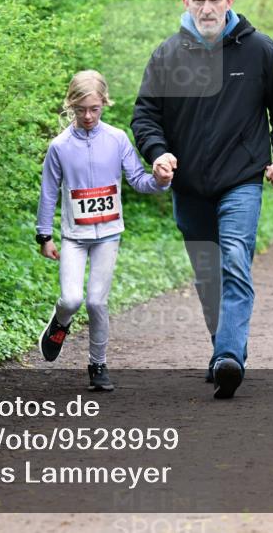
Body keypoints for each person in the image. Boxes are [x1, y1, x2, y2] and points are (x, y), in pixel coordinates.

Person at [131, 0, 273, 399]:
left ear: (230, 1)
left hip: (241, 179)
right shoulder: (167, 55)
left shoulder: (260, 50)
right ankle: (222, 350)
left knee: (233, 259)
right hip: (190, 186)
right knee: (208, 275)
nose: (207, 7)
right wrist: (158, 152)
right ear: (185, 3)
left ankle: (229, 355)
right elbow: (145, 115)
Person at [36, 70, 172, 391]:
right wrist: (45, 235)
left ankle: (98, 365)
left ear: (104, 104)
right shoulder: (60, 146)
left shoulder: (117, 139)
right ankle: (59, 323)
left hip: (109, 235)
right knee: (71, 299)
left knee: (97, 302)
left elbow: (139, 179)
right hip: (74, 237)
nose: (87, 116)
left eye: (94, 109)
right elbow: (48, 193)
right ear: (70, 105)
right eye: (81, 109)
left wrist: (161, 181)